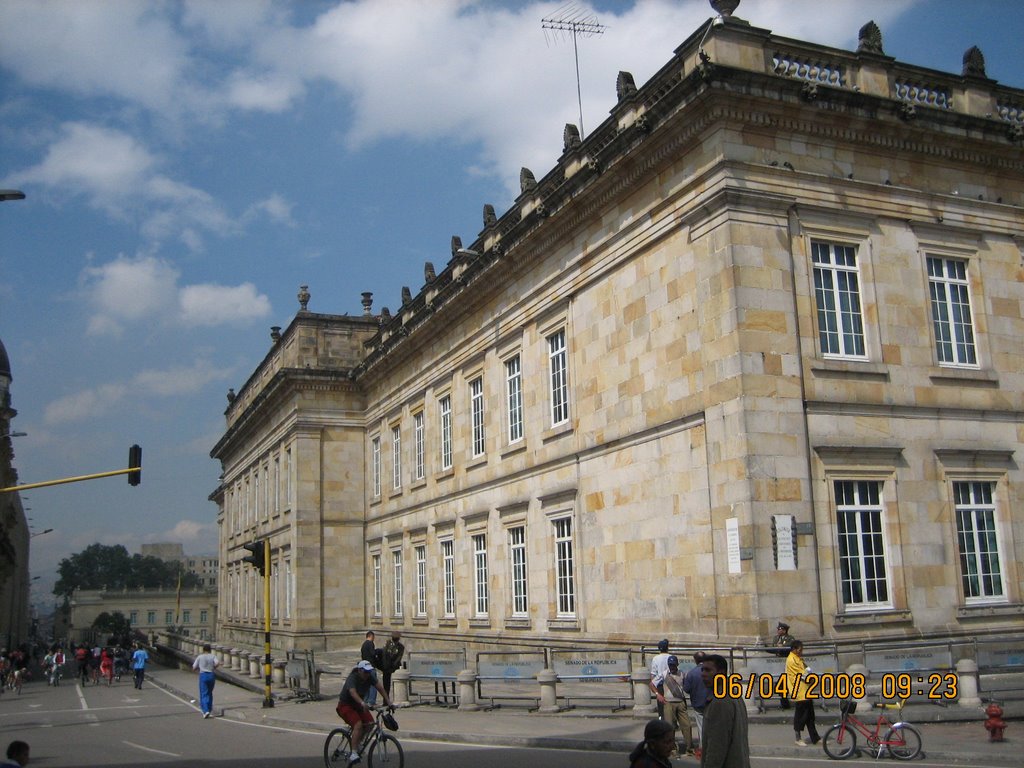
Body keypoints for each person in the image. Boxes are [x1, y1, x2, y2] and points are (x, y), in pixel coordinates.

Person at [336, 660, 393, 764]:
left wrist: (389, 702)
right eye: (365, 672)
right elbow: (352, 692)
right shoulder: (352, 678)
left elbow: (380, 688)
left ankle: (358, 743)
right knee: (358, 725)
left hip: (358, 705)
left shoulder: (369, 677)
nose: (367, 674)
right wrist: (362, 703)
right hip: (345, 705)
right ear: (359, 670)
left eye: (369, 672)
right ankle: (353, 753)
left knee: (370, 723)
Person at [699, 654, 751, 768]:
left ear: (721, 673)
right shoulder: (733, 694)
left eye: (708, 670)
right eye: (702, 670)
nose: (703, 674)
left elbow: (716, 748)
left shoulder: (719, 702)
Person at [651, 655, 693, 756]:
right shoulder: (664, 674)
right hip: (668, 703)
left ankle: (689, 748)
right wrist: (658, 695)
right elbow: (652, 684)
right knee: (670, 727)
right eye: (670, 665)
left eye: (673, 665)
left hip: (680, 702)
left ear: (677, 664)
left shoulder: (682, 673)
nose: (672, 667)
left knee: (687, 725)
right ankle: (672, 749)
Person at [786, 640, 820, 746]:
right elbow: (803, 674)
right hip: (799, 692)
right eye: (800, 650)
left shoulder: (798, 658)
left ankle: (815, 738)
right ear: (794, 649)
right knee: (800, 717)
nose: (802, 651)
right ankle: (798, 738)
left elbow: (807, 669)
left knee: (810, 716)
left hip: (805, 690)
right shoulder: (791, 660)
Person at [683, 651, 709, 748]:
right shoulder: (711, 671)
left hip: (698, 704)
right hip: (711, 703)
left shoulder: (691, 673)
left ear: (695, 660)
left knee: (701, 727)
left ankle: (703, 749)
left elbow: (686, 689)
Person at [192, 643, 221, 718]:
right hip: (211, 675)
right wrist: (213, 667)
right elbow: (217, 663)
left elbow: (194, 667)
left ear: (203, 650)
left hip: (203, 675)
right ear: (210, 650)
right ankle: (209, 708)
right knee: (209, 692)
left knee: (204, 693)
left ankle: (205, 711)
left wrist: (197, 669)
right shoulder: (213, 656)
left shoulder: (200, 657)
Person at [771, 622, 795, 709]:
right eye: (778, 629)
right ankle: (784, 703)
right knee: (780, 685)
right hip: (778, 664)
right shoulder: (776, 638)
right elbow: (773, 646)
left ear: (784, 630)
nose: (778, 631)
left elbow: (791, 646)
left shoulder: (790, 638)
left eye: (779, 629)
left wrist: (782, 646)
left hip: (788, 664)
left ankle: (787, 703)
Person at [649, 639, 671, 719]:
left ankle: (661, 720)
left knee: (661, 706)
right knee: (671, 704)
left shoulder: (656, 658)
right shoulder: (671, 657)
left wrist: (654, 689)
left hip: (660, 685)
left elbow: (653, 674)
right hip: (670, 684)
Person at [379, 631, 405, 696]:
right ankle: (386, 700)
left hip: (395, 667)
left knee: (397, 683)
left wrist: (393, 666)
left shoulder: (401, 647)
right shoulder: (387, 644)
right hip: (386, 667)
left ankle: (397, 697)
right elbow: (384, 655)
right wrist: (385, 667)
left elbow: (399, 658)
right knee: (386, 685)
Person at [359, 631, 378, 705]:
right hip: (370, 666)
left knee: (366, 684)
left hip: (364, 666)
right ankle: (372, 701)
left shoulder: (363, 644)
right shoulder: (370, 643)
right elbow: (373, 653)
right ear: (371, 636)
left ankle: (365, 699)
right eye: (373, 637)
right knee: (373, 684)